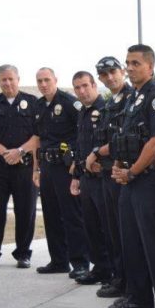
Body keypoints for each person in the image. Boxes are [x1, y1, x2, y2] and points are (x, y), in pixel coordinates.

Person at [105, 45, 155, 308]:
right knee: (132, 241)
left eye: (136, 63)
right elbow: (127, 139)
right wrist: (120, 167)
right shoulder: (133, 98)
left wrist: (133, 172)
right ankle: (139, 298)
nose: (130, 67)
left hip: (149, 181)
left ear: (150, 66)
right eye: (128, 63)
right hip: (131, 180)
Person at [0, 64, 39, 269]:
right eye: (3, 80)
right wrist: (5, 152)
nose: (7, 83)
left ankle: (23, 254)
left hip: (25, 167)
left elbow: (39, 136)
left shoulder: (33, 103)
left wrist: (19, 151)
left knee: (26, 211)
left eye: (11, 79)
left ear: (18, 79)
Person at [31, 67, 89, 278]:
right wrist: (36, 168)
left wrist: (77, 160)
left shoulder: (68, 102)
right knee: (51, 215)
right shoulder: (38, 106)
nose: (43, 84)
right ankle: (58, 260)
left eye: (47, 80)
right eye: (39, 81)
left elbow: (82, 130)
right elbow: (37, 139)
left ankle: (81, 262)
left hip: (66, 167)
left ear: (55, 79)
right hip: (47, 166)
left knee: (71, 215)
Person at [87, 56, 132, 298]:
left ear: (122, 71)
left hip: (121, 174)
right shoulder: (108, 104)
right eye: (104, 75)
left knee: (123, 233)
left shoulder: (130, 100)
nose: (110, 77)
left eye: (113, 71)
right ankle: (118, 277)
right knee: (111, 230)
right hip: (105, 173)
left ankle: (126, 281)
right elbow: (101, 136)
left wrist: (96, 153)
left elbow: (123, 140)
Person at [70, 71, 112, 285]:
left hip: (102, 177)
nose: (82, 91)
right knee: (91, 226)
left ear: (94, 85)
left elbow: (111, 143)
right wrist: (76, 175)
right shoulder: (82, 112)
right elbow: (80, 145)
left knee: (106, 226)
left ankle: (113, 271)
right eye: (77, 87)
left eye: (85, 85)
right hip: (86, 178)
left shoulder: (106, 109)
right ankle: (100, 268)